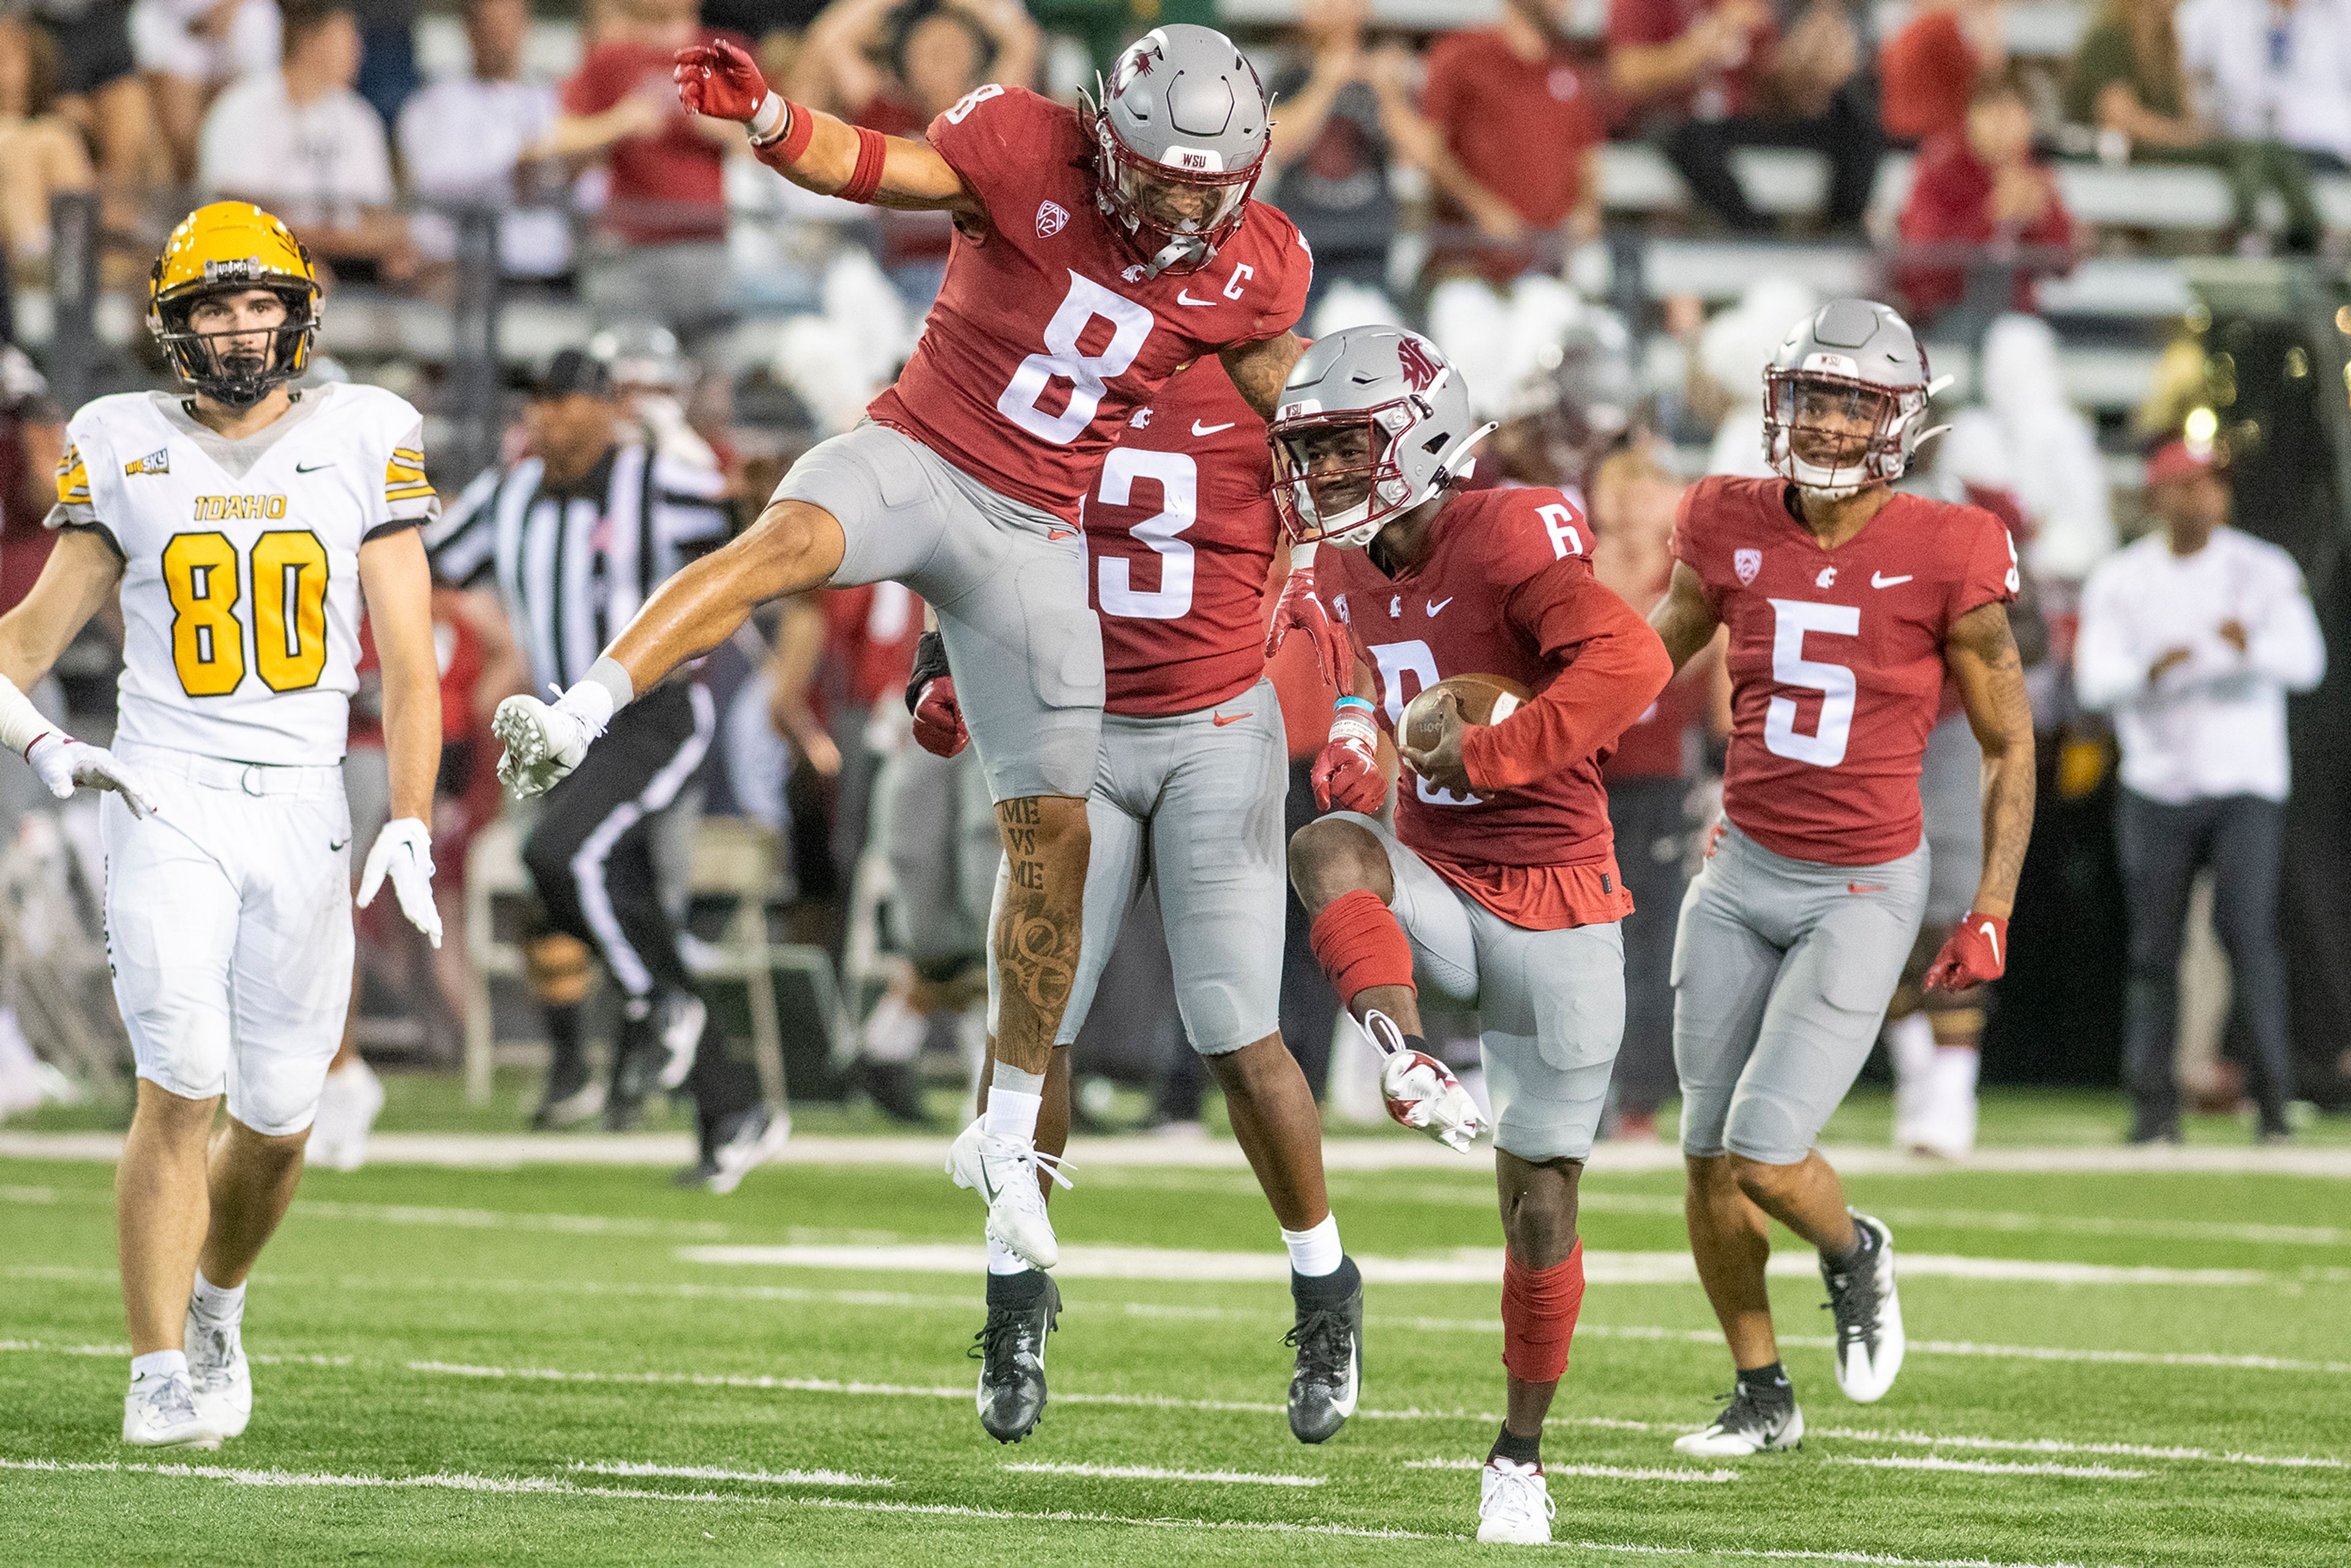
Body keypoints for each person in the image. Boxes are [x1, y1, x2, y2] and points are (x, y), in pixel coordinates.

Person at [489, 24, 1314, 1280]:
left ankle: (1006, 1128)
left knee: (1056, 833)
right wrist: (769, 120)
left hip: (1041, 532)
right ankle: (584, 706)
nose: (1176, 205)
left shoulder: (1254, 266)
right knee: (786, 544)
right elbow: (869, 165)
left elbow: (1295, 398)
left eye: (1205, 186)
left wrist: (1384, 436)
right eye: (1158, 175)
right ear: (1108, 132)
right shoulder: (1023, 142)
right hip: (922, 454)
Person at [4, 202, 444, 1446]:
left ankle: (215, 1302)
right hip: (164, 790)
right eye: (213, 306)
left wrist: (405, 815)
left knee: (282, 1119)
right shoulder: (121, 442)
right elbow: (26, 646)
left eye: (259, 304)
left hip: (306, 798)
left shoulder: (366, 432)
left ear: (300, 312)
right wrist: (41, 738)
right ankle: (153, 1369)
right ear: (172, 323)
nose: (240, 328)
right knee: (180, 1075)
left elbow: (410, 667)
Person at [916, 358, 1364, 1446]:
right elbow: (973, 535)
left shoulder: (1270, 386)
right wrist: (941, 662)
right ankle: (1012, 1305)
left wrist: (1353, 703)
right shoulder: (1060, 366)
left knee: (1234, 1026)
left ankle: (1325, 1291)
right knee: (1032, 1023)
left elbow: (1331, 571)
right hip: (1072, 727)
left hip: (1218, 728)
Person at [1280, 327, 1672, 1543]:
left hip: (1559, 896)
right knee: (1324, 845)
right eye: (1316, 446)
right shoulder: (1345, 567)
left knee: (1540, 1204)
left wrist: (1494, 752)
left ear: (1421, 437)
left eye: (1348, 442)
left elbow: (1632, 658)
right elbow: (1370, 680)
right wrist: (1357, 729)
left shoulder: (1508, 527)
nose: (1329, 469)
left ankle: (1520, 1452)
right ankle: (1404, 1053)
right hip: (1442, 881)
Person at [1645, 298, 2035, 1456]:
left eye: (1852, 400)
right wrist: (1530, 717)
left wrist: (1995, 908)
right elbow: (1646, 652)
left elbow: (2011, 742)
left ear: (1901, 419)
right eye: (1813, 396)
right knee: (1707, 1153)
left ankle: (1855, 1249)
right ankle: (1762, 1392)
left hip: (1862, 885)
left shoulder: (1950, 545)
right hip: (1740, 870)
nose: (1824, 422)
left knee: (1766, 1150)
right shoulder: (1724, 518)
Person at [427, 347, 782, 1187]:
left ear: (605, 409)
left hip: (653, 711)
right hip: (563, 727)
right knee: (617, 897)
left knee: (560, 856)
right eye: (539, 404)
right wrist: (499, 645)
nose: (550, 419)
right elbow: (429, 562)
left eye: (567, 403)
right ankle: (730, 1105)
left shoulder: (653, 479)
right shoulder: (509, 494)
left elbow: (749, 529)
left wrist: (765, 483)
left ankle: (661, 1011)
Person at [2073, 438, 2324, 1143]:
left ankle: (2276, 1104)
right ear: (2158, 496)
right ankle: (2153, 1108)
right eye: (2188, 485)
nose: (2204, 498)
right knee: (2154, 948)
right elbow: (2095, 677)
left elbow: (2307, 662)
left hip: (2244, 778)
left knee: (2248, 934)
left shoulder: (2263, 569)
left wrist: (2249, 648)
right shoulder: (2122, 577)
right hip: (2156, 780)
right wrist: (2152, 670)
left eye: (2213, 485)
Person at [1611, 0, 1880, 236]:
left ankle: (1843, 230)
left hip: (1735, 122)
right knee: (1689, 138)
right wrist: (1699, 47)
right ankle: (1758, 234)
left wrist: (1808, 70)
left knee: (1853, 117)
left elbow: (1769, 88)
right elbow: (1627, 76)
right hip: (1673, 122)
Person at [560, 0, 745, 336]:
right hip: (634, 251)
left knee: (715, 378)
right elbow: (559, 135)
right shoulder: (614, 58)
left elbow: (774, 142)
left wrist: (722, 127)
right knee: (636, 374)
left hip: (707, 247)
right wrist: (618, 123)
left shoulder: (724, 55)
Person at [197, 1, 413, 282]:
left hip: (353, 265)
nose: (359, 51)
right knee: (306, 275)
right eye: (347, 37)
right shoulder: (241, 107)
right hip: (257, 259)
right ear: (312, 42)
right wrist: (331, 242)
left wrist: (361, 242)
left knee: (407, 268)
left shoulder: (359, 116)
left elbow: (380, 216)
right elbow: (234, 216)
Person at [1420, 0, 1603, 287]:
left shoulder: (1567, 70)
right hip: (1468, 267)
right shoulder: (1463, 54)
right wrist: (1482, 209)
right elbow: (1430, 152)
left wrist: (1585, 209)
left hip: (1545, 270)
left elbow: (1587, 158)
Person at [397, 0, 574, 284]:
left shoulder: (553, 102)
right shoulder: (437, 100)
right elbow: (432, 181)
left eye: (510, 21)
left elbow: (589, 190)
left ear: (528, 26)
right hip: (464, 272)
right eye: (491, 23)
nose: (501, 34)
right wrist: (513, 162)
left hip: (548, 272)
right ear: (470, 29)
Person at [1895, 78, 2077, 325]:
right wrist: (1991, 217)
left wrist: (2041, 218)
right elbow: (1923, 259)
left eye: (2013, 116)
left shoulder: (2030, 172)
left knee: (2025, 338)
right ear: (1972, 117)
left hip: (2013, 312)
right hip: (1943, 309)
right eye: (1995, 114)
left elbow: (2063, 264)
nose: (2004, 129)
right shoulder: (1941, 166)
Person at [2175, 0, 2351, 252]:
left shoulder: (2340, 11)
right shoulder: (2213, 10)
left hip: (2322, 149)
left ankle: (2257, 236)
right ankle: (2309, 237)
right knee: (2257, 152)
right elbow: (2183, 74)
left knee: (2269, 155)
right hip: (2243, 144)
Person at [0, 14, 97, 287]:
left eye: (8, 52)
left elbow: (78, 210)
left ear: (34, 63)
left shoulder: (53, 134)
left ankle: (33, 266)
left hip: (41, 264)